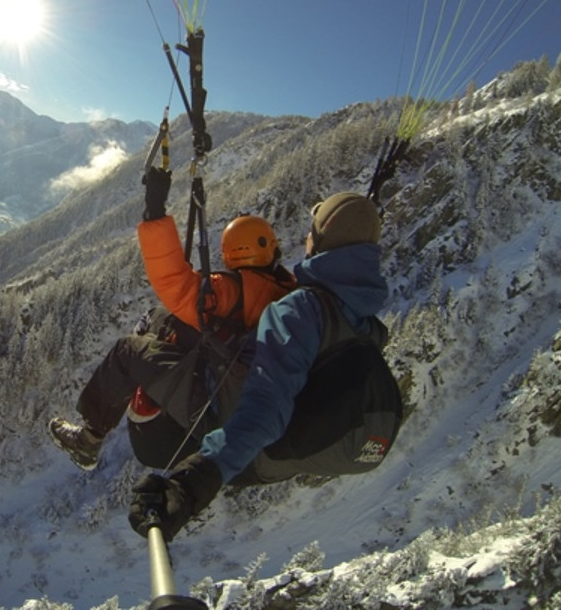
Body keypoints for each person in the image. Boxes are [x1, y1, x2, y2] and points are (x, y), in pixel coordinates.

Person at [127, 191, 390, 542]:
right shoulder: (366, 321)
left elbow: (267, 406)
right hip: (298, 455)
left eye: (311, 232)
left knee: (147, 346)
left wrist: (192, 483)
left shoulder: (299, 311)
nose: (305, 238)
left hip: (253, 454)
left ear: (319, 241)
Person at [48, 166, 296, 471]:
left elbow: (173, 282)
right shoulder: (288, 292)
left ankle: (88, 440)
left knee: (127, 352)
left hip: (214, 401)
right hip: (245, 390)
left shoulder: (230, 292)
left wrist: (154, 211)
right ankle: (150, 344)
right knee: (163, 317)